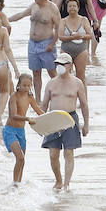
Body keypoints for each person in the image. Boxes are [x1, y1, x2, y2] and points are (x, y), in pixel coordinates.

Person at [39, 50, 89, 191]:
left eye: (62, 64)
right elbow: (43, 105)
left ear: (70, 65)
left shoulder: (77, 83)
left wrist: (86, 125)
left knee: (69, 152)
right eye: (57, 64)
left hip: (70, 118)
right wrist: (40, 125)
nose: (59, 66)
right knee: (53, 154)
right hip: (53, 119)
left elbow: (84, 104)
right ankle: (58, 181)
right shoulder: (51, 83)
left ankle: (67, 183)